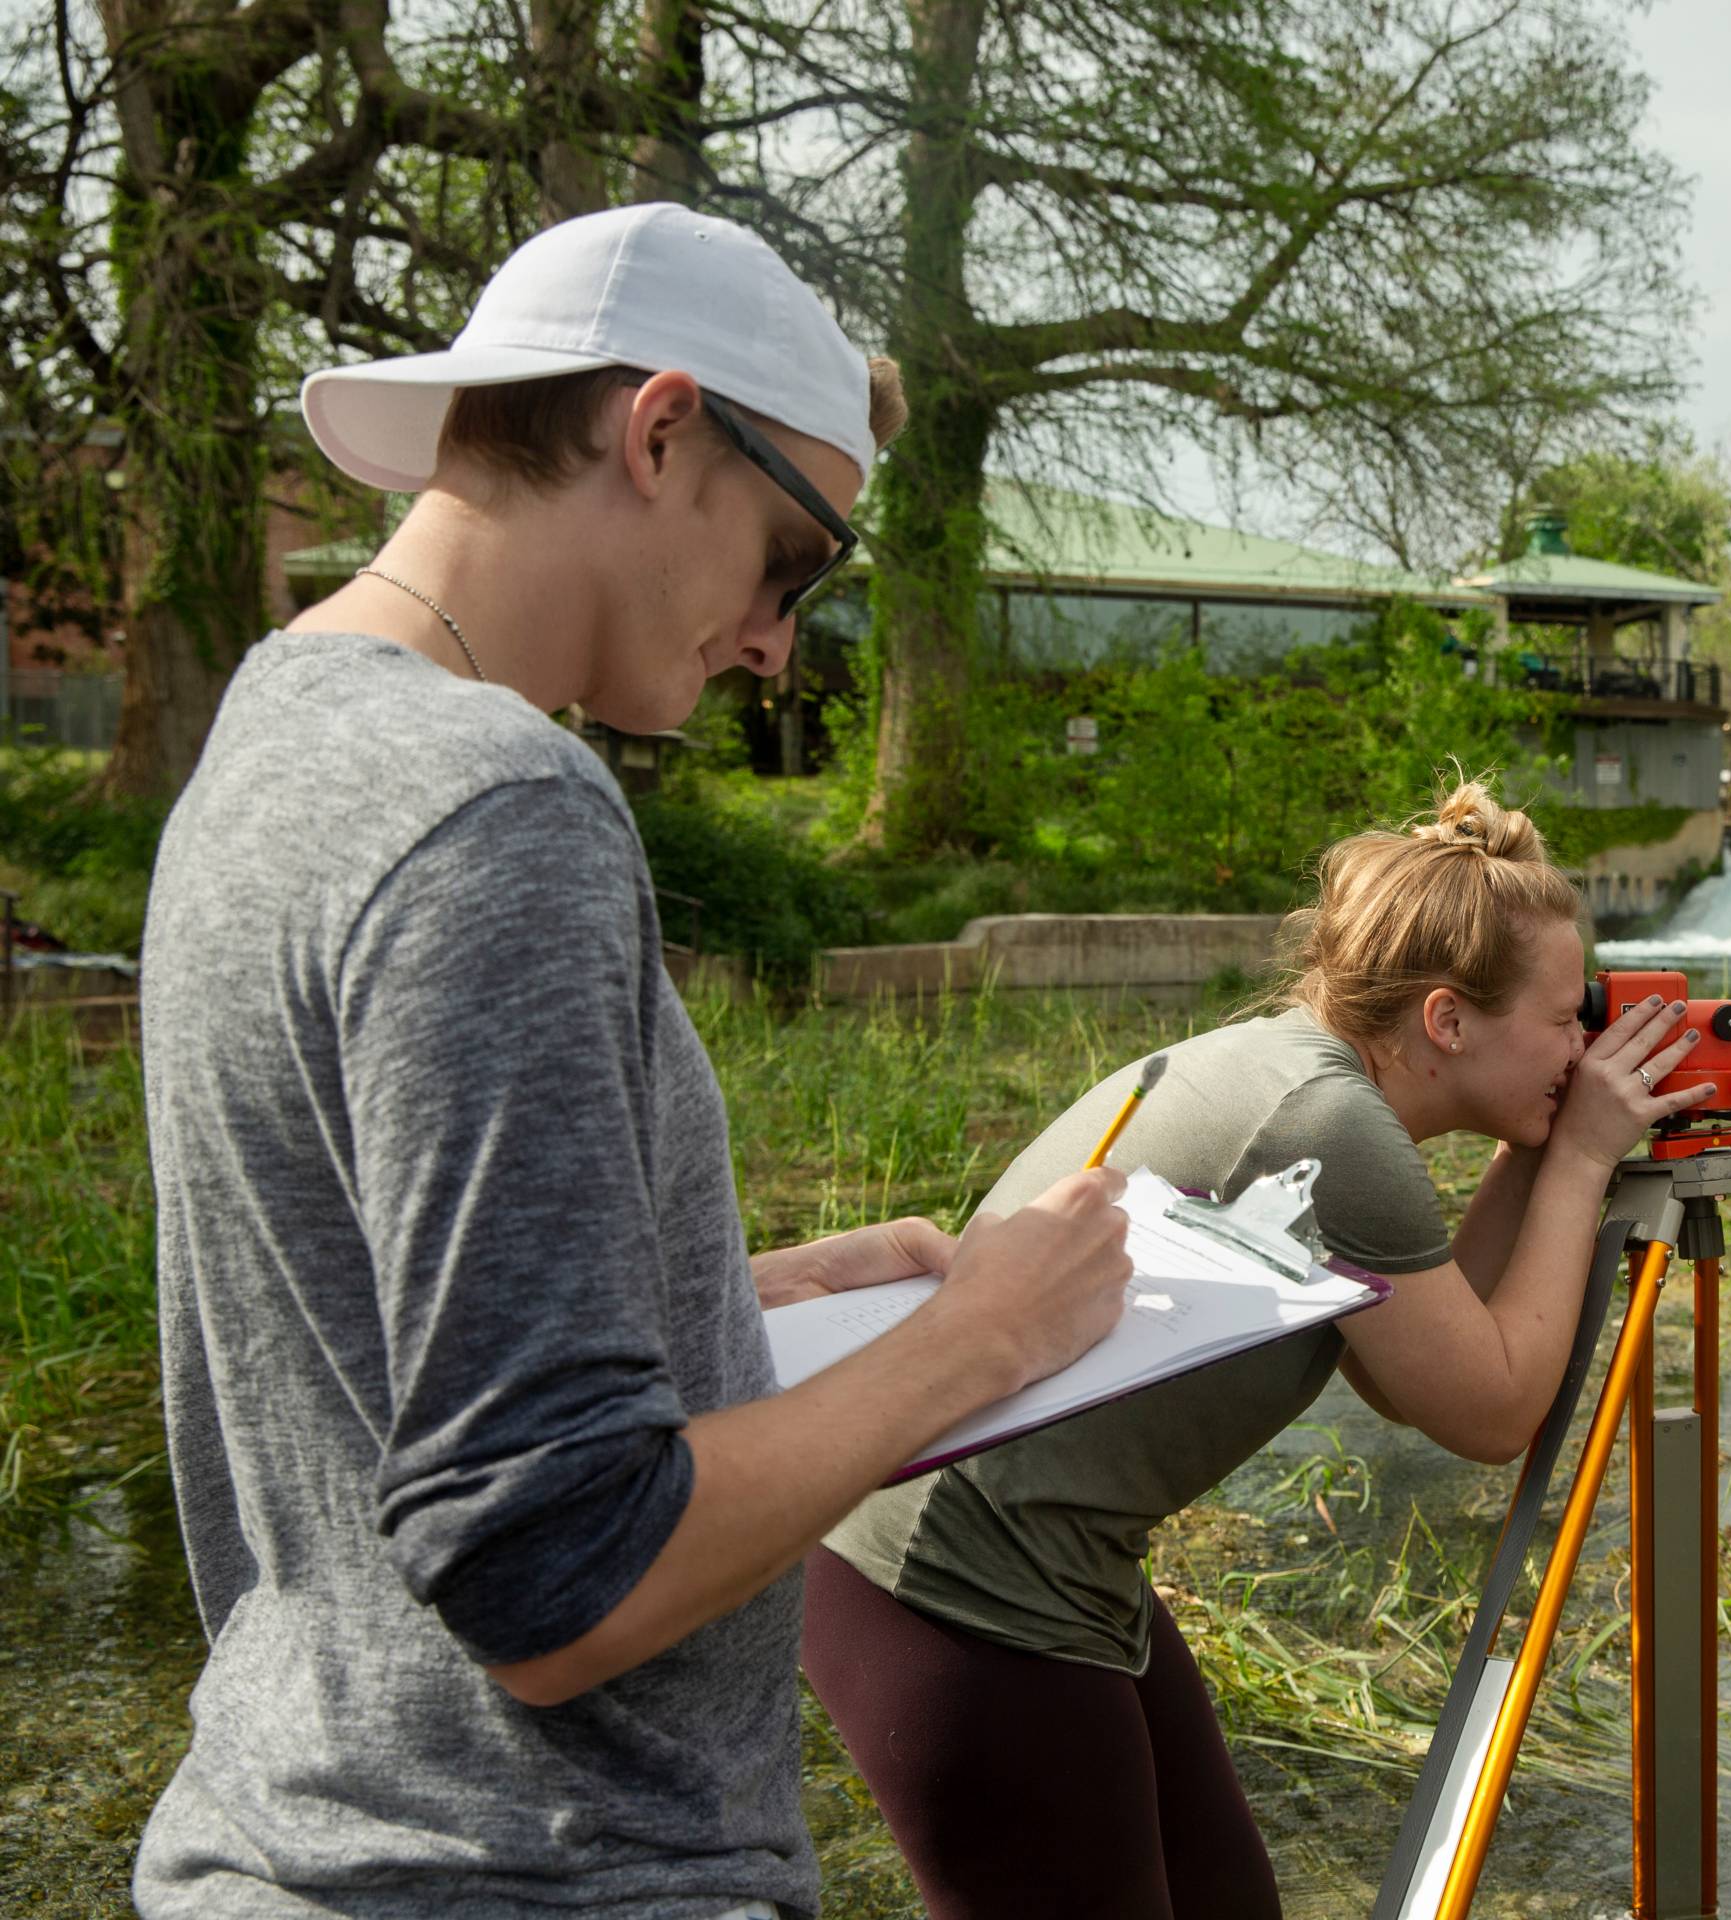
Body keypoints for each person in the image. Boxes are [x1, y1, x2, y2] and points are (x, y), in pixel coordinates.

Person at [134, 203, 1133, 1918]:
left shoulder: (273, 738)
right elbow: (555, 1569)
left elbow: (362, 1334)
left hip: (294, 1840)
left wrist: (730, 1298)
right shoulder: (497, 805)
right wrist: (979, 1341)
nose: (775, 645)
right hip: (537, 1877)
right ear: (660, 432)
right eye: (795, 557)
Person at [805, 779, 1710, 1918]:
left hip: (997, 1554)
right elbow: (1492, 1415)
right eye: (1569, 1016)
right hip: (959, 1585)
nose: (1584, 1044)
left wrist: (1543, 1139)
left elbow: (1422, 1373)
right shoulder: (1322, 1128)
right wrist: (1580, 1161)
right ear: (1447, 1021)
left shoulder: (1291, 1074)